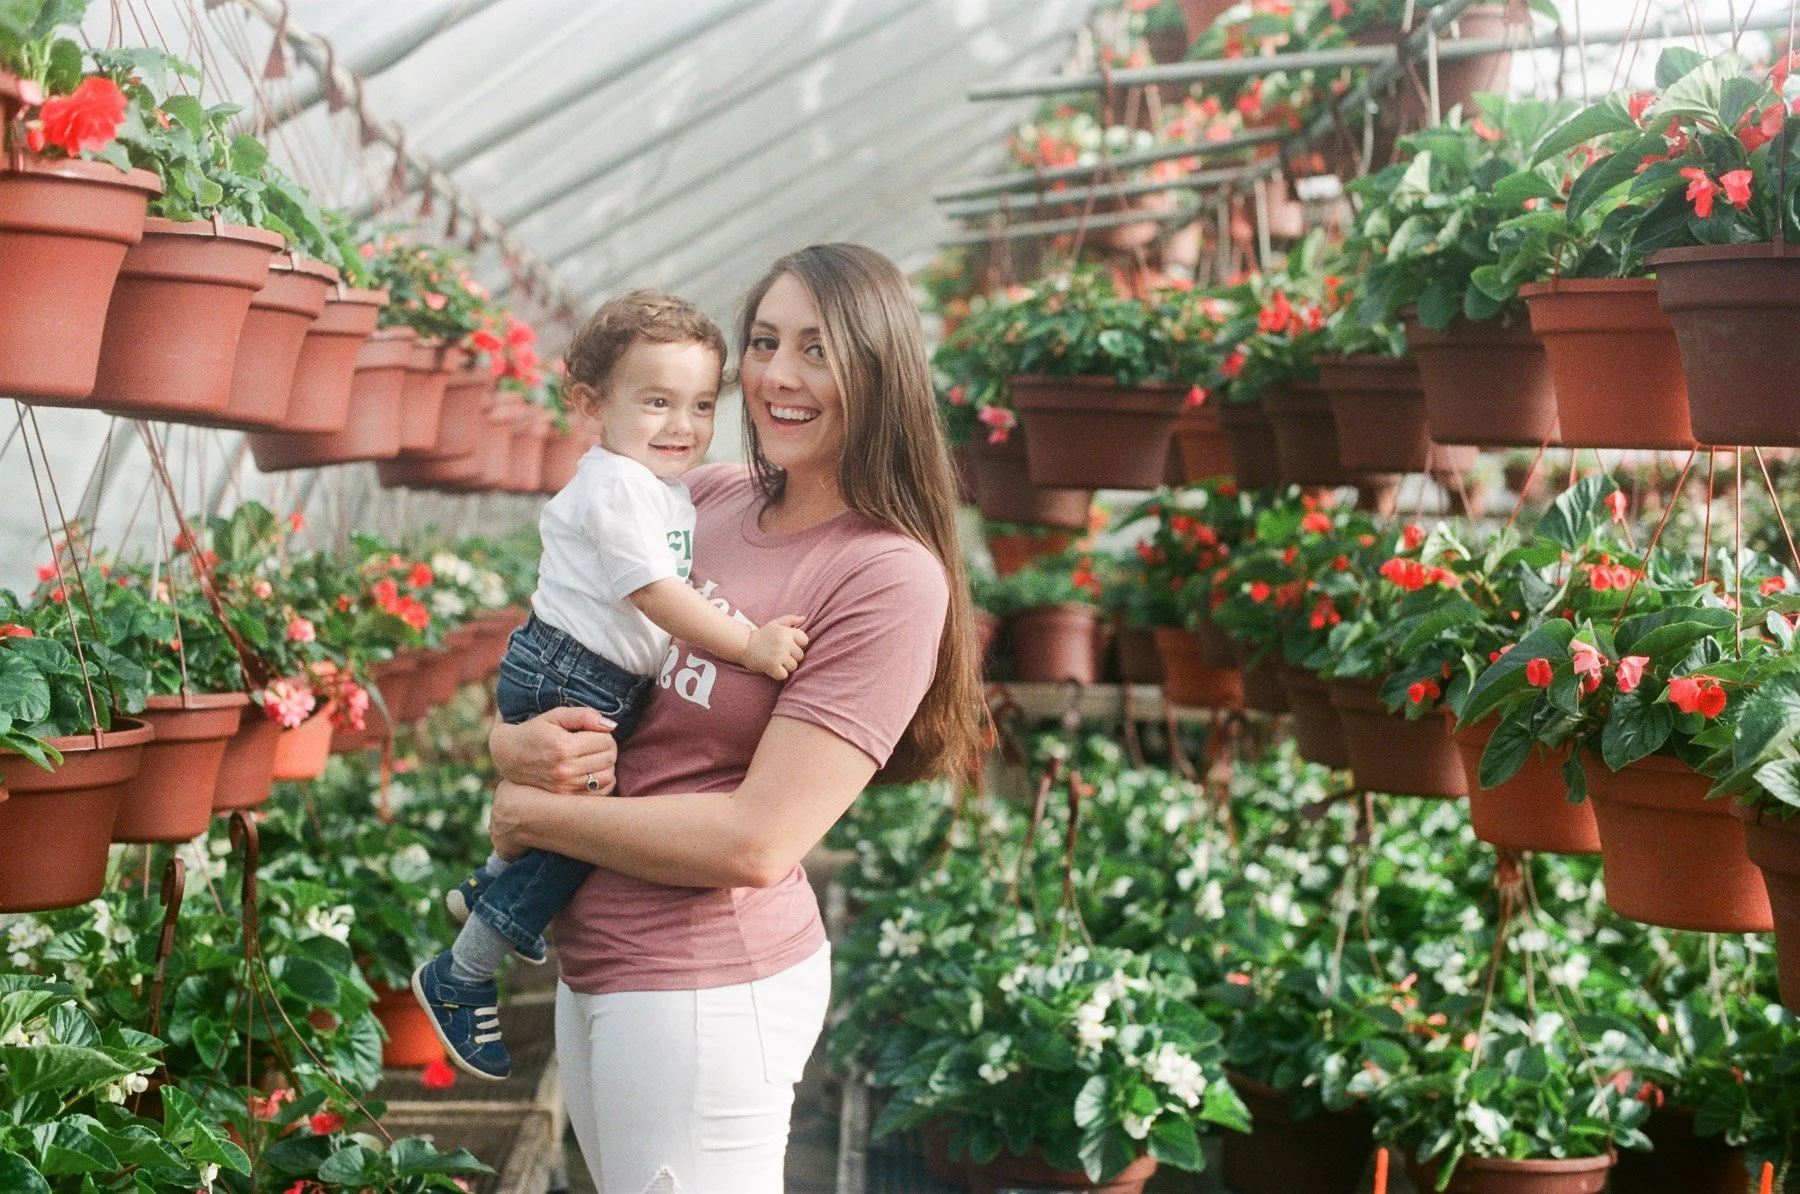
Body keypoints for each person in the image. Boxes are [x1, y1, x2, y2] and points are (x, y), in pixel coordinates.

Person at [484, 244, 983, 1194]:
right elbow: (547, 667)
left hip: (705, 982)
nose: (778, 376)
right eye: (762, 342)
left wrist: (531, 815)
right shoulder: (699, 500)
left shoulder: (884, 574)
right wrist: (511, 747)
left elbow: (760, 840)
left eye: (818, 349)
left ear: (879, 370)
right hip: (595, 957)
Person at [412, 290, 810, 1081]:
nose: (682, 426)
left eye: (701, 405)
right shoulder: (619, 486)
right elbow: (656, 596)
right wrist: (749, 645)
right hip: (574, 670)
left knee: (573, 814)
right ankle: (464, 969)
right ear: (591, 405)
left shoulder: (662, 487)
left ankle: (483, 887)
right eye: (656, 402)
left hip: (582, 667)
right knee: (576, 835)